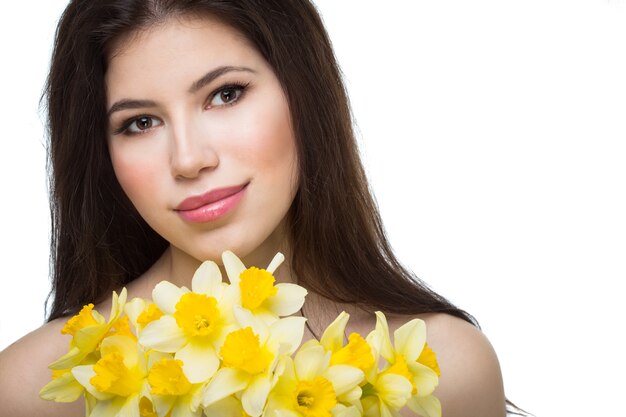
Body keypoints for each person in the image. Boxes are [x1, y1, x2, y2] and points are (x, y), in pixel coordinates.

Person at [0, 1, 516, 416]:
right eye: (140, 123)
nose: (189, 159)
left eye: (226, 94)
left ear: (304, 93)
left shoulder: (445, 370)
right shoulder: (31, 388)